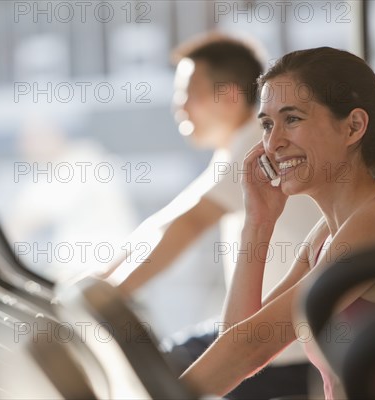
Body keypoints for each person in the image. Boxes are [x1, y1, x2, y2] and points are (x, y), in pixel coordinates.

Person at [179, 46, 375, 399]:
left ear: (353, 127)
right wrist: (258, 221)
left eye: (293, 119)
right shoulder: (324, 237)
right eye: (268, 124)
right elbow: (238, 341)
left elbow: (248, 350)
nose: (274, 143)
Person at [105, 33, 322, 399]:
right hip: (272, 334)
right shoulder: (236, 148)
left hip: (291, 353)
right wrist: (100, 282)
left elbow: (188, 226)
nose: (178, 107)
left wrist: (110, 295)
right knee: (168, 359)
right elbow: (164, 221)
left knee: (165, 371)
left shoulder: (257, 143)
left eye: (187, 93)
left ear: (230, 96)